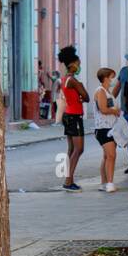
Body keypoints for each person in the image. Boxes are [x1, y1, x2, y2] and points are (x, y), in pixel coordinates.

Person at [57, 46, 88, 192]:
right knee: (79, 149)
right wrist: (81, 89)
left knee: (71, 149)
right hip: (75, 116)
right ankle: (68, 182)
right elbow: (86, 96)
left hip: (68, 115)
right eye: (79, 63)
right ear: (73, 64)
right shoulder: (73, 81)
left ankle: (68, 179)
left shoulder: (64, 79)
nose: (79, 65)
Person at [92, 66, 120, 193]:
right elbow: (103, 109)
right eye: (111, 77)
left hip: (110, 127)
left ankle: (104, 182)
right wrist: (115, 111)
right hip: (103, 128)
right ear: (105, 78)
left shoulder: (107, 91)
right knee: (111, 155)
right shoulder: (100, 91)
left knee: (107, 156)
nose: (113, 79)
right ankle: (109, 182)